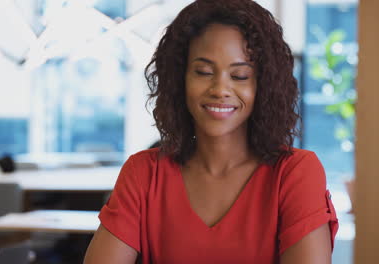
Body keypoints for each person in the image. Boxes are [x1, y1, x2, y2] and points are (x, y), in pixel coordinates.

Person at [84, 0, 338, 263]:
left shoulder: (294, 173)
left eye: (239, 76)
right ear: (179, 79)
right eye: (204, 72)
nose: (220, 89)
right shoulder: (144, 174)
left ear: (264, 86)